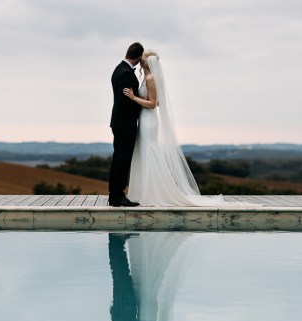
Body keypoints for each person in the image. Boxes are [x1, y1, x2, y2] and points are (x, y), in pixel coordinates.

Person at [123, 50, 260, 207]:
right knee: (144, 152)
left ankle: (152, 192)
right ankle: (145, 191)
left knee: (149, 152)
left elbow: (153, 104)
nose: (139, 60)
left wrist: (134, 98)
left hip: (148, 120)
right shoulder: (148, 78)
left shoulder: (150, 78)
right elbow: (158, 101)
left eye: (142, 59)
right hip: (145, 119)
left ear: (146, 62)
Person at [108, 42, 144, 207]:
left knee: (119, 158)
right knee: (122, 159)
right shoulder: (126, 74)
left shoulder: (118, 69)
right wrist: (143, 107)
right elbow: (126, 103)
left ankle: (115, 194)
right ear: (139, 57)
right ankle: (117, 195)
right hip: (125, 123)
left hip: (120, 121)